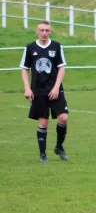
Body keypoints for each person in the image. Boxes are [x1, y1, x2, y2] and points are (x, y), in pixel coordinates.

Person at [20, 20, 69, 163]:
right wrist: (27, 88)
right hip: (38, 90)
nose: (44, 33)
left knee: (63, 118)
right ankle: (42, 155)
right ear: (37, 31)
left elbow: (61, 68)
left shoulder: (56, 46)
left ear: (50, 32)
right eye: (41, 30)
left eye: (47, 30)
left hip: (55, 89)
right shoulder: (30, 48)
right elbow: (24, 68)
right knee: (43, 122)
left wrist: (56, 87)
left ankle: (59, 147)